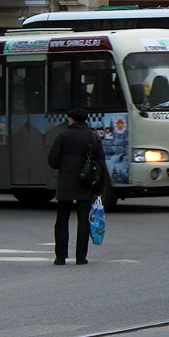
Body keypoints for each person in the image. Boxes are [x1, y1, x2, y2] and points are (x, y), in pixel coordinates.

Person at [47, 109, 104, 266]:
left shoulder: (63, 136)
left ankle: (60, 258)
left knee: (62, 221)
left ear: (71, 120)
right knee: (83, 221)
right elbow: (100, 164)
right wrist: (98, 189)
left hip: (65, 184)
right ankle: (81, 257)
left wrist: (64, 166)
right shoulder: (93, 137)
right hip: (85, 185)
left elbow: (53, 161)